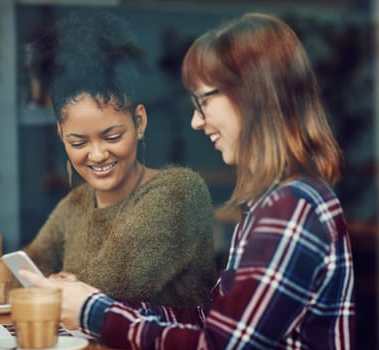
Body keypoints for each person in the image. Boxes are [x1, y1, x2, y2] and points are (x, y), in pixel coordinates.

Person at [20, 12, 355, 349]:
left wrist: (94, 311)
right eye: (78, 142)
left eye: (203, 102)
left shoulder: (290, 208)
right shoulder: (273, 203)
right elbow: (210, 321)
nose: (196, 121)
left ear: (252, 95)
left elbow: (219, 345)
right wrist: (95, 304)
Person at [20, 12, 218, 307]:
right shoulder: (75, 205)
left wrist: (55, 284)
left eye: (112, 137)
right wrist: (52, 283)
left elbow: (105, 288)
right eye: (78, 142)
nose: (98, 154)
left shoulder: (180, 193)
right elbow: (22, 271)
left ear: (139, 122)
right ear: (61, 134)